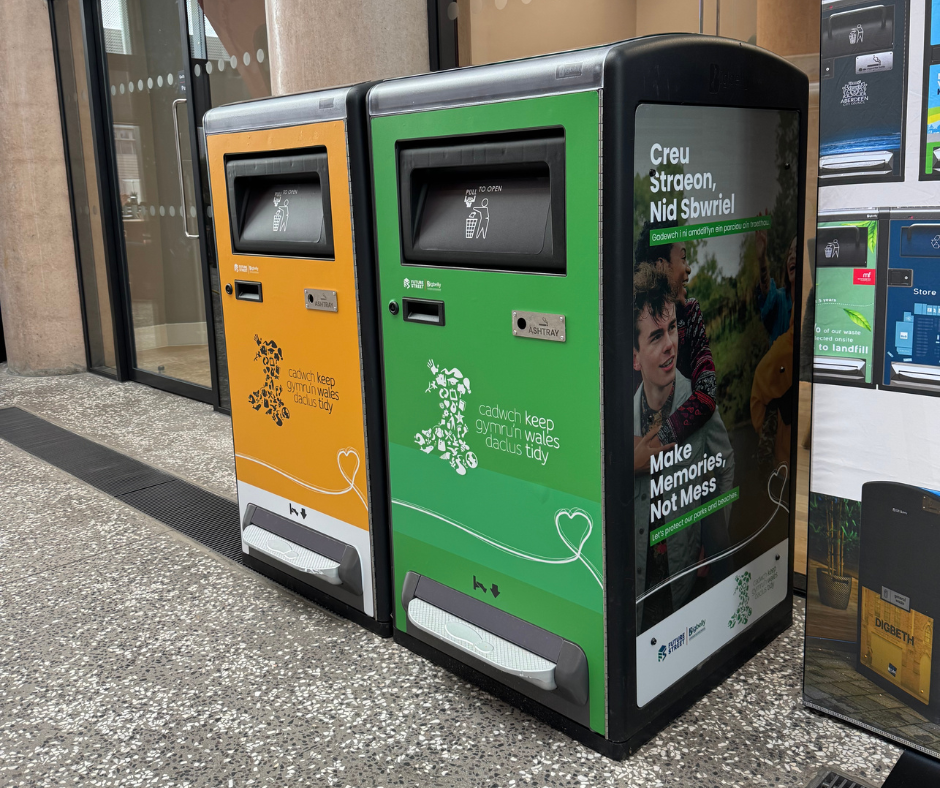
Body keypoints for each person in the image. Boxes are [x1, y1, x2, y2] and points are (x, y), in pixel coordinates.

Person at [633, 265, 734, 629]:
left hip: (684, 582)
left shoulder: (698, 404)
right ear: (635, 357)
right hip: (637, 590)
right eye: (655, 336)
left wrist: (712, 535)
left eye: (672, 329)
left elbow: (724, 464)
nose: (670, 344)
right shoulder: (620, 415)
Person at [634, 221, 717, 472]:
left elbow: (706, 394)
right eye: (683, 258)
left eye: (671, 329)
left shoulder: (689, 313)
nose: (688, 268)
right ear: (662, 266)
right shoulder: (633, 317)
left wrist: (652, 448)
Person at [756, 227, 797, 346]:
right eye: (790, 253)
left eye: (797, 251)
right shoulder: (780, 300)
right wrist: (762, 260)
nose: (791, 256)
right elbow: (766, 289)